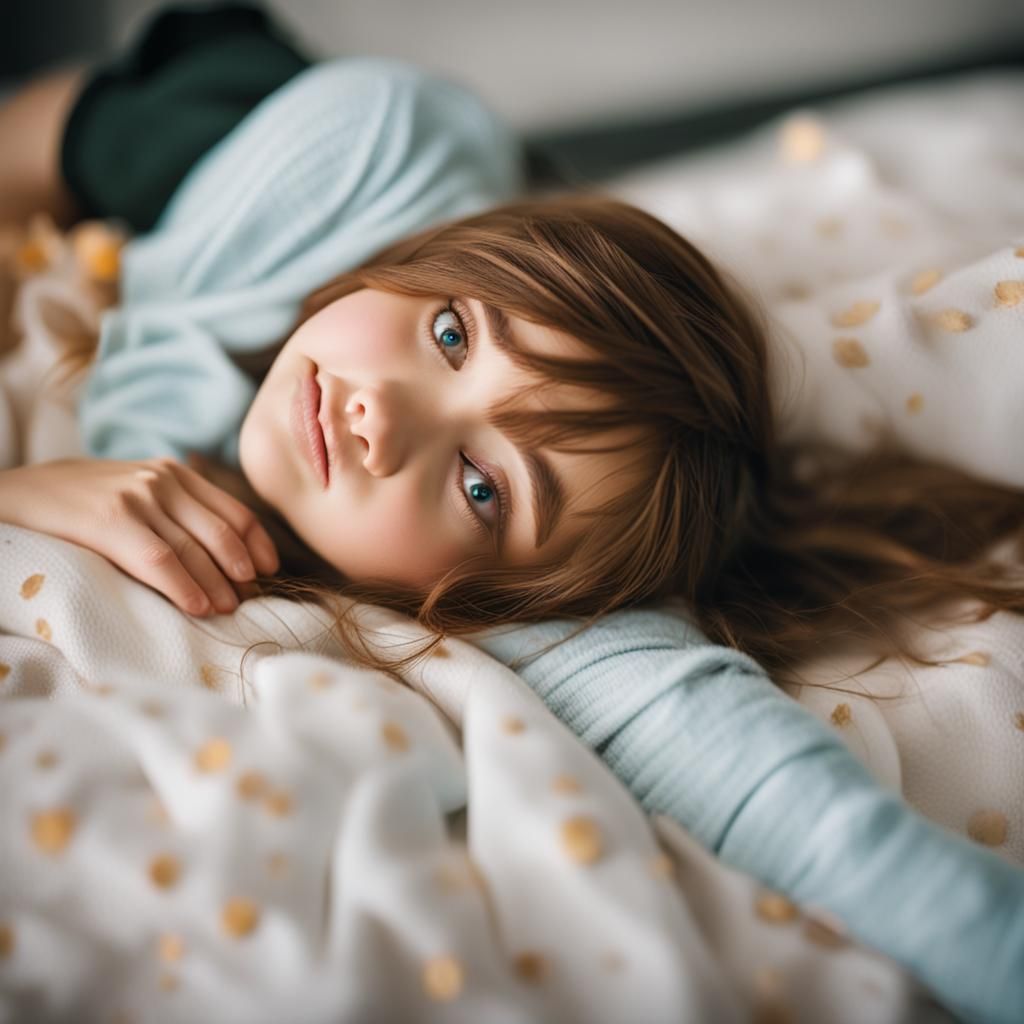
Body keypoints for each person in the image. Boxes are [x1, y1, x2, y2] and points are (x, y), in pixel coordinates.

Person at [0, 6, 1021, 1022]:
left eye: (482, 486)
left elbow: (820, 829)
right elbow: (40, 135)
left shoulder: (552, 594)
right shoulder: (336, 159)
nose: (379, 412)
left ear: (502, 597)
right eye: (450, 334)